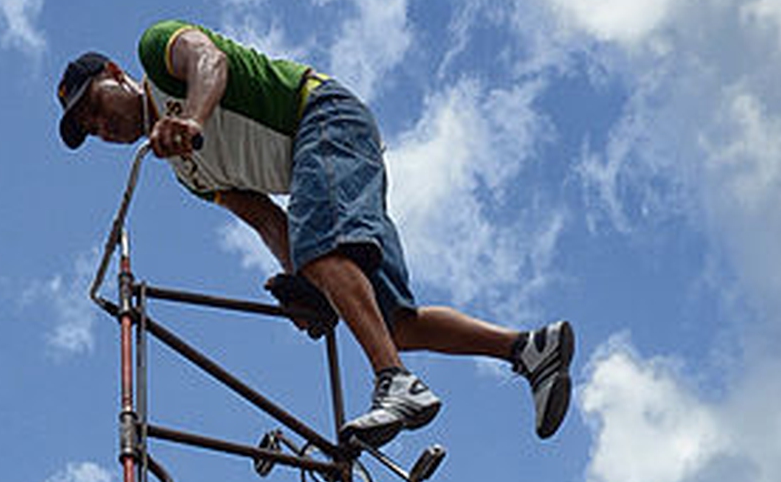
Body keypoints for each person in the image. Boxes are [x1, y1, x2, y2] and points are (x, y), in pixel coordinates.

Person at [57, 27, 575, 453]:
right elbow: (267, 222)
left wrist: (192, 117)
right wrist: (309, 290)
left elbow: (210, 60)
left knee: (322, 251)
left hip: (323, 115)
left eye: (95, 108)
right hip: (332, 156)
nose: (100, 127)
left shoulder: (157, 50)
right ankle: (529, 349)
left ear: (115, 75)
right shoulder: (188, 174)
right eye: (89, 128)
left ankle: (395, 382)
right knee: (393, 322)